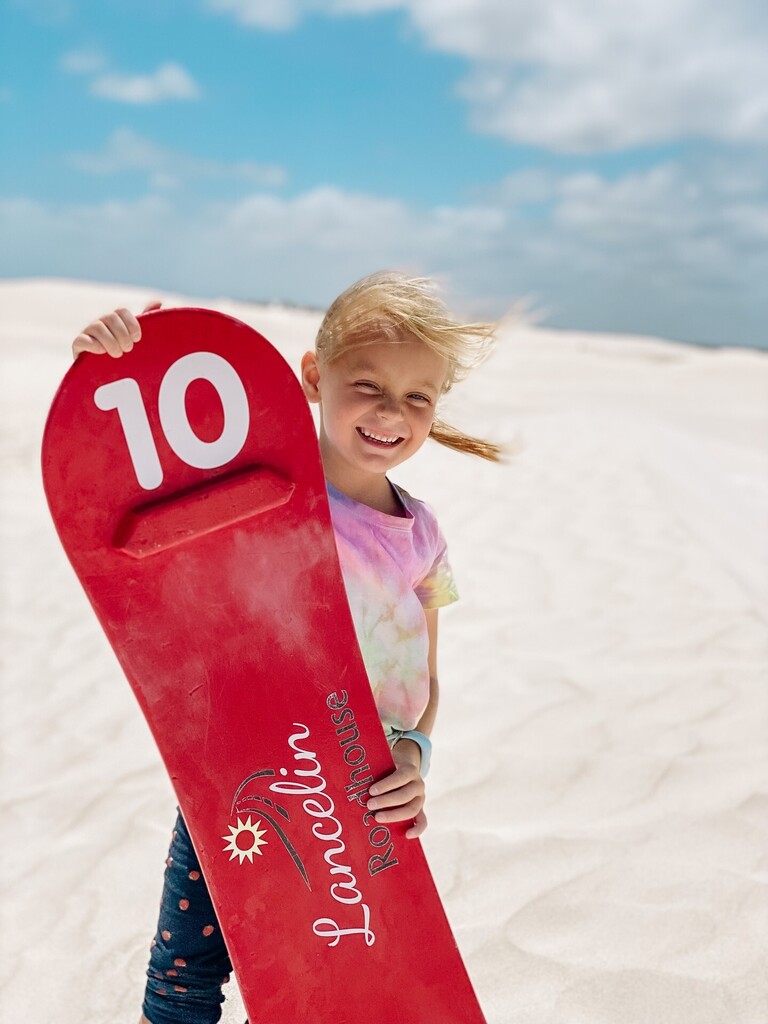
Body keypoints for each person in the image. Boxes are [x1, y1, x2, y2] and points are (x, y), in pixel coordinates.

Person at [72, 270, 501, 1024]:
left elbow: (427, 676)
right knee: (185, 976)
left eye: (417, 398)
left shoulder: (425, 534)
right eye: (366, 383)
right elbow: (148, 471)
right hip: (244, 776)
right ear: (314, 375)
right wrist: (123, 357)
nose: (389, 413)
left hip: (360, 792)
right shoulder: (258, 490)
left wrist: (414, 756)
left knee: (330, 977)